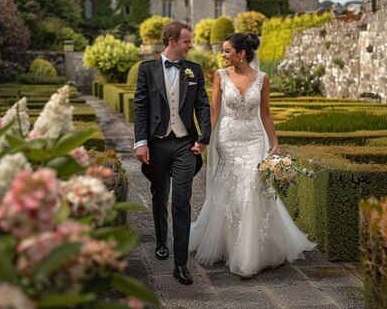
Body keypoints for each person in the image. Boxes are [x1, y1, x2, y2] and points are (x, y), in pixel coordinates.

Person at [189, 32, 315, 278]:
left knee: (250, 188)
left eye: (227, 51)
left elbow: (266, 114)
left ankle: (250, 254)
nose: (223, 55)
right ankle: (227, 245)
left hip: (255, 140)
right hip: (228, 139)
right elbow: (214, 113)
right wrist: (203, 140)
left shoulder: (263, 79)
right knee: (231, 190)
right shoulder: (219, 76)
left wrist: (275, 144)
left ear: (241, 53)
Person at [133, 20, 211, 285]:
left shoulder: (194, 70)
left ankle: (180, 264)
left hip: (184, 145)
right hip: (156, 144)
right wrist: (140, 142)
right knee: (159, 195)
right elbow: (140, 107)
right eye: (188, 41)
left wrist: (203, 139)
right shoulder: (147, 70)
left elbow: (202, 104)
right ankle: (160, 240)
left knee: (181, 200)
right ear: (172, 42)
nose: (191, 45)